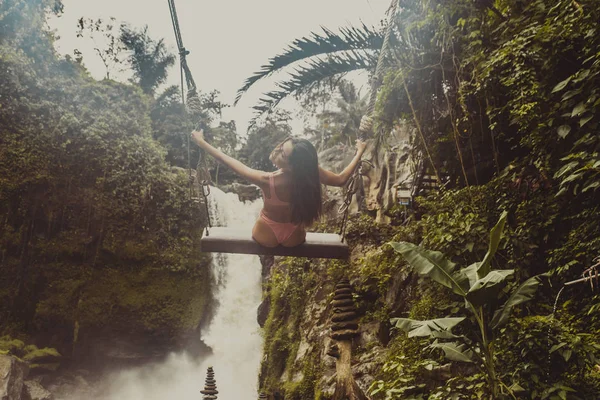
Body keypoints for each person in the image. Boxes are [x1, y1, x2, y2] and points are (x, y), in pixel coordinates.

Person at [191, 129, 368, 248]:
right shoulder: (310, 173)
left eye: (283, 152)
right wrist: (359, 152)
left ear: (293, 165)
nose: (278, 149)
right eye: (282, 145)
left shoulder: (267, 180)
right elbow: (341, 179)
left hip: (265, 233)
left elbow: (229, 161)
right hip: (295, 236)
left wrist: (202, 143)